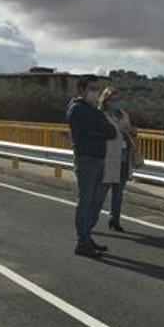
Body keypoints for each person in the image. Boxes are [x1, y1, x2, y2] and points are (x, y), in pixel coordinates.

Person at [67, 75, 117, 258]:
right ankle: (82, 242)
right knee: (86, 201)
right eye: (92, 88)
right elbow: (99, 131)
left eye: (97, 89)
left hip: (97, 158)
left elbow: (110, 131)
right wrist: (102, 132)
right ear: (81, 90)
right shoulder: (78, 110)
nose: (95, 92)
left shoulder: (92, 110)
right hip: (87, 159)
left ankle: (87, 237)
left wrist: (102, 131)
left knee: (94, 202)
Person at [98, 86, 138, 232]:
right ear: (106, 101)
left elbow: (129, 131)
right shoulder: (101, 115)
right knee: (101, 192)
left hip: (124, 156)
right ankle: (89, 220)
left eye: (118, 99)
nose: (116, 103)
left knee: (118, 192)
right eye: (112, 100)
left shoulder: (124, 114)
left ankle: (114, 220)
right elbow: (102, 134)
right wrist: (117, 129)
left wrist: (132, 131)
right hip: (108, 156)